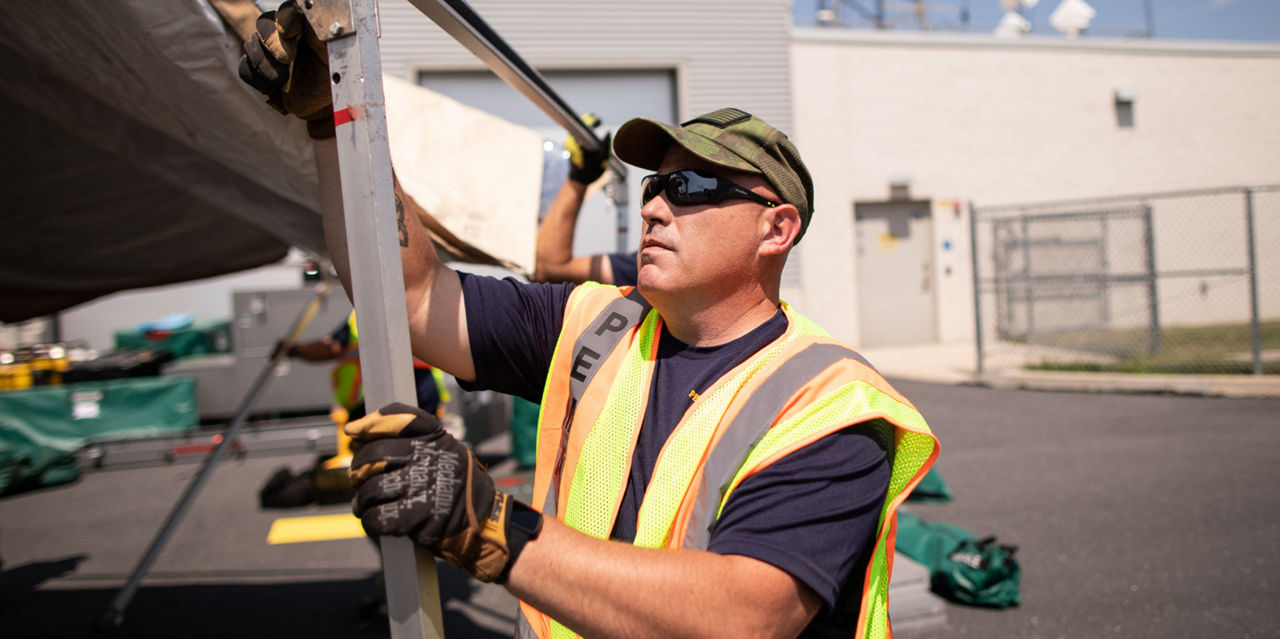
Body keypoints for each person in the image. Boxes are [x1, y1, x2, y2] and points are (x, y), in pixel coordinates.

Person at [240, 9, 938, 637]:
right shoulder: (595, 321)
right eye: (655, 185)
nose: (657, 206)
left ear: (776, 229)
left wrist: (492, 527)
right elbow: (415, 298)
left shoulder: (831, 407)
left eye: (691, 187)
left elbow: (745, 616)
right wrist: (335, 116)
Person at [533, 116, 638, 287]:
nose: (651, 208)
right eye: (652, 186)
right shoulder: (650, 267)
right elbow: (549, 267)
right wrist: (579, 177)